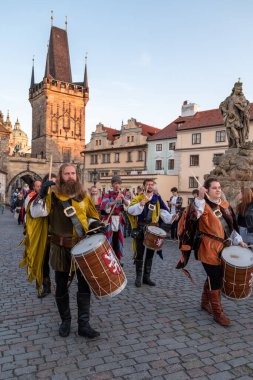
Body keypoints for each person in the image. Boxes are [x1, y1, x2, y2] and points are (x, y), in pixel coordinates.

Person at [23, 164, 104, 338]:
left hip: (82, 247)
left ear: (77, 175)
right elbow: (36, 213)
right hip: (60, 248)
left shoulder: (84, 195)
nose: (70, 176)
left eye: (73, 173)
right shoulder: (52, 195)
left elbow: (91, 216)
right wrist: (42, 193)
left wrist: (95, 224)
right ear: (60, 176)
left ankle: (84, 324)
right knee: (61, 286)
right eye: (66, 173)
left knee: (84, 285)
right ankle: (65, 321)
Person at [178, 177, 247, 326]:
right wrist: (201, 197)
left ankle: (204, 302)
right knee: (215, 278)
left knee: (214, 276)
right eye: (214, 188)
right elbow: (196, 213)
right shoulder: (203, 206)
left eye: (219, 187)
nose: (218, 190)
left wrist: (240, 241)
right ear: (207, 190)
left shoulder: (224, 204)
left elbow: (231, 228)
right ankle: (218, 313)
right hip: (208, 248)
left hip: (224, 248)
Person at [128, 179, 178, 287]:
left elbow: (163, 211)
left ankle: (146, 277)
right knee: (140, 254)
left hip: (153, 229)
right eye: (148, 184)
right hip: (141, 229)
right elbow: (130, 210)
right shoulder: (138, 198)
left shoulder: (157, 198)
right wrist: (140, 204)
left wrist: (171, 217)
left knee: (150, 254)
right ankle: (138, 278)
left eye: (151, 184)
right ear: (144, 186)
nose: (150, 186)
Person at [100, 176, 130, 265]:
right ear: (112, 184)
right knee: (110, 240)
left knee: (118, 239)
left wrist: (123, 198)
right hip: (110, 220)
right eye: (115, 183)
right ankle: (109, 259)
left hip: (119, 220)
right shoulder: (108, 194)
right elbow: (104, 206)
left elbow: (128, 205)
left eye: (118, 183)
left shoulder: (122, 194)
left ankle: (118, 259)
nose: (117, 185)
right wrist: (115, 201)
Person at [220, 80, 250, 147]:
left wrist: (244, 106)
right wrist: (227, 111)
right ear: (234, 89)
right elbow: (222, 107)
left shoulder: (241, 98)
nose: (239, 90)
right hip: (230, 117)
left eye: (240, 89)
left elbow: (245, 107)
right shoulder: (228, 98)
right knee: (230, 131)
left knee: (236, 130)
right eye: (238, 89)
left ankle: (238, 143)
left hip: (237, 118)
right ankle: (233, 144)